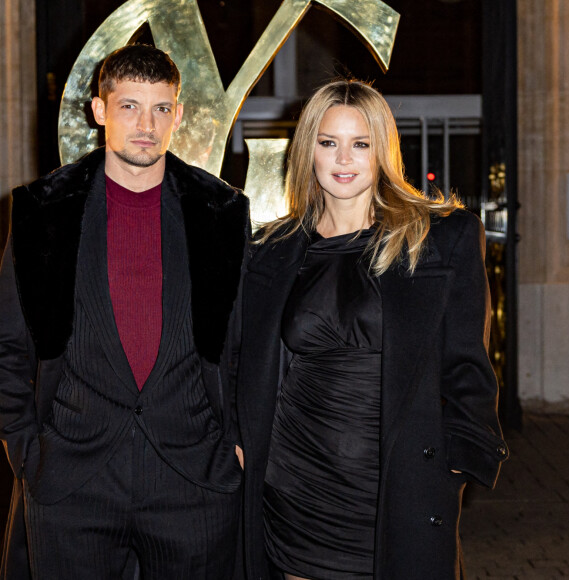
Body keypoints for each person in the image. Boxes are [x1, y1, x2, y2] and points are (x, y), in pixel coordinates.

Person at [236, 79, 508, 580]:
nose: (344, 159)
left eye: (360, 144)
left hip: (393, 481)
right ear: (308, 151)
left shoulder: (439, 241)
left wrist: (455, 466)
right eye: (328, 142)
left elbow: (469, 368)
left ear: (381, 150)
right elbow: (245, 360)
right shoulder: (273, 251)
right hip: (295, 483)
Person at [0, 44, 248, 580]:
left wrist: (237, 441)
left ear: (178, 114)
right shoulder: (43, 211)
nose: (146, 124)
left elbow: (243, 339)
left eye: (161, 108)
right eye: (130, 106)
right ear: (99, 110)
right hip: (71, 482)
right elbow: (6, 346)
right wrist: (27, 452)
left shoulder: (223, 211)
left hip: (194, 480)